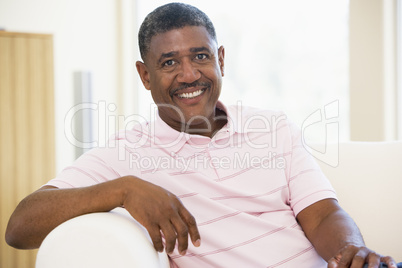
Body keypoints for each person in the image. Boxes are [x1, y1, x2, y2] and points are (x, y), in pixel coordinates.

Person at [5, 3, 400, 268]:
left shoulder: (273, 126)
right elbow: (20, 227)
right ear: (145, 76)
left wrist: (351, 252)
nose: (190, 74)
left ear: (221, 59)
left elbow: (323, 213)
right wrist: (122, 190)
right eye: (169, 62)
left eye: (200, 56)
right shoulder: (127, 151)